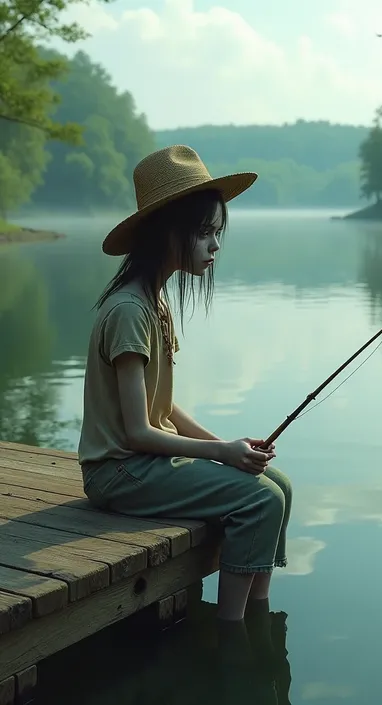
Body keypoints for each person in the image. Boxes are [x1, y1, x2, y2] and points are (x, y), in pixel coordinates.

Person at [78, 145, 293, 622]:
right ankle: (233, 629)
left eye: (216, 233)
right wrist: (221, 455)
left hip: (147, 463)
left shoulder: (154, 301)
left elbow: (164, 408)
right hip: (119, 472)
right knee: (260, 499)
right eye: (204, 233)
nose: (215, 246)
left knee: (276, 482)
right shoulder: (130, 311)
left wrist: (231, 448)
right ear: (167, 233)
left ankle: (259, 611)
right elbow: (136, 432)